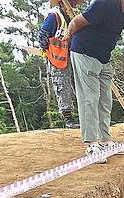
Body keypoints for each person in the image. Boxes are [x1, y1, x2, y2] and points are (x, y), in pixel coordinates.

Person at [65, 0, 124, 161]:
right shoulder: (106, 3)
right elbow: (76, 22)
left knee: (105, 101)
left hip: (104, 57)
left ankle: (105, 141)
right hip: (85, 52)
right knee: (89, 98)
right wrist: (68, 37)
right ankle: (92, 145)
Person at [38, 0, 85, 129]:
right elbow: (43, 34)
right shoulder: (55, 15)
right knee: (62, 86)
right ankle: (69, 119)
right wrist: (47, 52)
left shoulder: (74, 16)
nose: (75, 4)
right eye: (73, 2)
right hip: (58, 58)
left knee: (81, 86)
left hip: (74, 55)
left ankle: (87, 117)